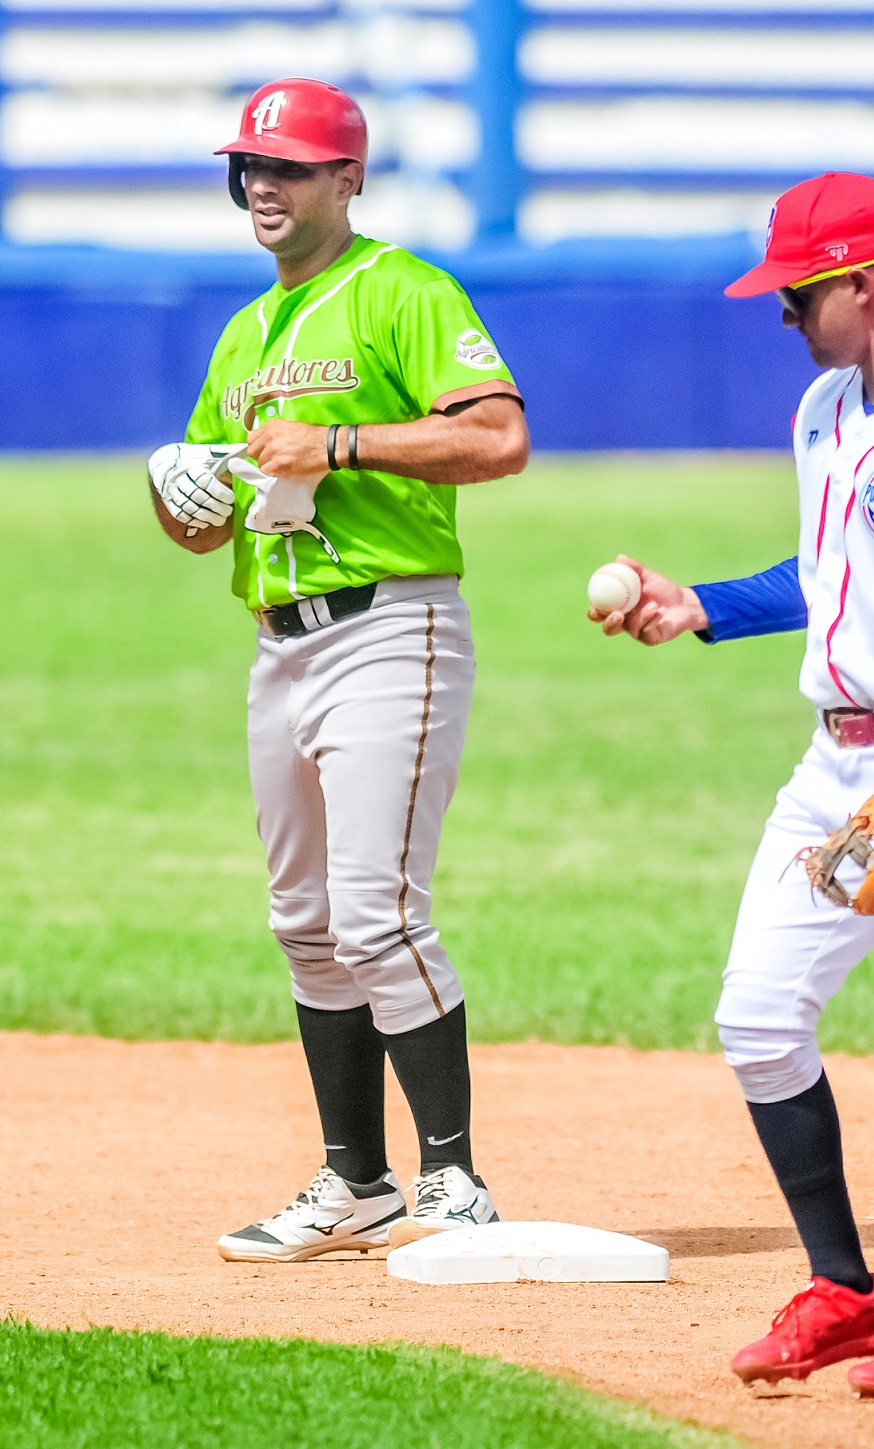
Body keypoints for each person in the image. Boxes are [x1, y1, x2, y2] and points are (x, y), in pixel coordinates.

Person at [590, 172, 874, 1401]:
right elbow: (825, 576)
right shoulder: (821, 410)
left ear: (858, 282)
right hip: (831, 765)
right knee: (755, 1016)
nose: (784, 320)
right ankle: (845, 1294)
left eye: (797, 298)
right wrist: (702, 608)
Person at [148, 78, 529, 1262]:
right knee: (304, 923)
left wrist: (343, 442)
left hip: (390, 626)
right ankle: (354, 1181)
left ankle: (453, 1180)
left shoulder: (399, 291)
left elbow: (498, 434)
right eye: (250, 166)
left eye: (291, 166)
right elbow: (212, 520)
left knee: (377, 913)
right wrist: (183, 503)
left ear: (347, 178)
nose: (263, 184)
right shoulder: (244, 335)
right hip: (278, 641)